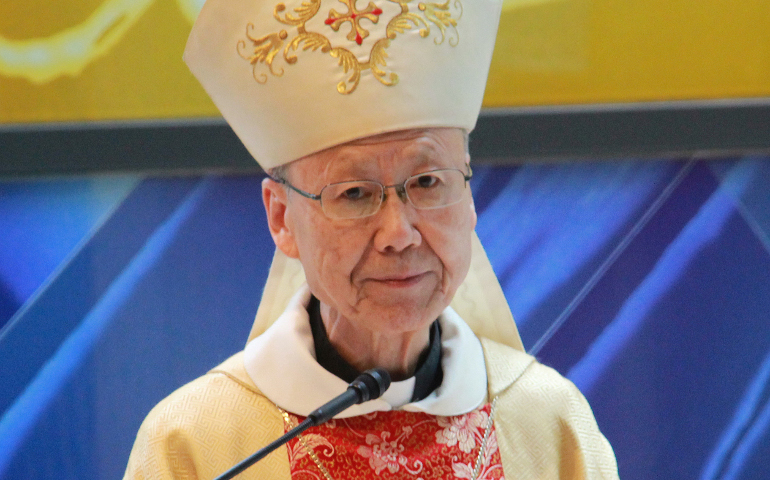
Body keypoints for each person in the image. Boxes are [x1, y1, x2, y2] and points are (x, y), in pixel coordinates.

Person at [124, 0, 619, 477]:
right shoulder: (197, 445)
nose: (398, 234)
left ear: (468, 197)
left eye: (428, 182)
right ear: (281, 217)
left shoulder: (548, 427)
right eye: (355, 192)